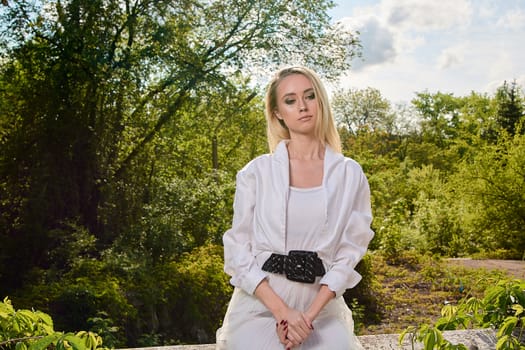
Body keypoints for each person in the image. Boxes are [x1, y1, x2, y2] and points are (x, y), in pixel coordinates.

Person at [216, 66, 374, 350]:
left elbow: (349, 253)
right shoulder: (256, 173)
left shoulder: (350, 174)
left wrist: (307, 318)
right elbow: (238, 250)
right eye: (290, 100)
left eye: (309, 96)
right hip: (261, 304)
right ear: (277, 112)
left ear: (320, 101)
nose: (302, 106)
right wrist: (283, 313)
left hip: (320, 310)